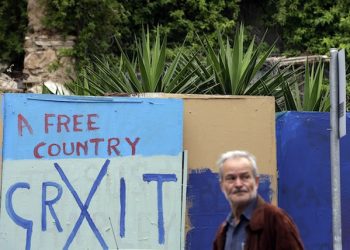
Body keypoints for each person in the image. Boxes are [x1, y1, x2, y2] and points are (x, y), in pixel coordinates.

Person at [213, 150, 304, 250]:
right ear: (222, 185)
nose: (238, 184)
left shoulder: (274, 220)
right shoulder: (223, 232)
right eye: (231, 178)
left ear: (256, 182)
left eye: (245, 177)